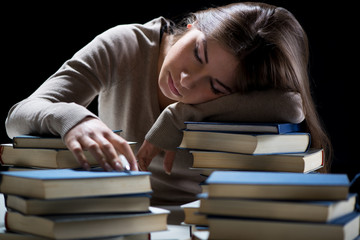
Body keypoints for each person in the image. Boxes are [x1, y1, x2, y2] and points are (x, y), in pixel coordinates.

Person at [5, 2, 331, 207]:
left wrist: (180, 115)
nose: (188, 80)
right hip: (109, 217)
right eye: (197, 53)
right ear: (192, 24)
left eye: (215, 86)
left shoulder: (240, 96)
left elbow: (292, 106)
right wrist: (75, 118)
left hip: (193, 225)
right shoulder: (126, 45)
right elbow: (17, 117)